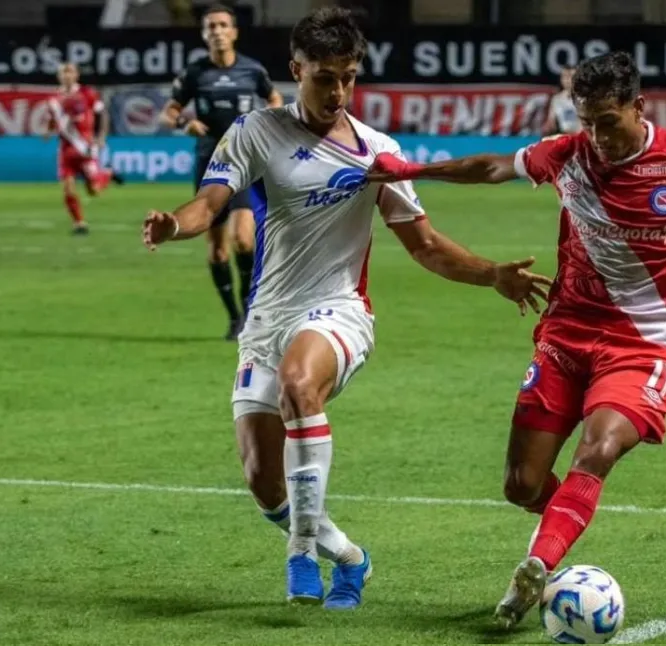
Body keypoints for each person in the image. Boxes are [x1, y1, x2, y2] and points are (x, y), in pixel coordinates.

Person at [366, 50, 666, 629]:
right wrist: (410, 173)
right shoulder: (567, 155)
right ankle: (561, 526)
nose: (595, 136)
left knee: (600, 446)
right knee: (521, 484)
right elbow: (491, 168)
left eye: (606, 122)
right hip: (565, 335)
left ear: (638, 107)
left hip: (642, 343)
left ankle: (536, 565)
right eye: (585, 121)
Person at [141, 7, 551, 611]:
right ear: (295, 70)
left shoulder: (376, 153)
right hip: (268, 319)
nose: (337, 91)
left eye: (348, 77)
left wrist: (491, 274)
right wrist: (175, 224)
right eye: (323, 77)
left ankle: (300, 554)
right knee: (263, 482)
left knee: (299, 385)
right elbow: (210, 203)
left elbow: (426, 245)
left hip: (339, 310)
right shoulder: (256, 131)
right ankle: (350, 558)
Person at [160, 4, 284, 341]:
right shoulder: (194, 73)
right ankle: (233, 316)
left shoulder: (252, 70)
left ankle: (248, 308)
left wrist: (266, 124)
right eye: (210, 26)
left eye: (222, 25)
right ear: (204, 34)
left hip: (244, 162)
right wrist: (185, 122)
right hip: (209, 166)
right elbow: (168, 113)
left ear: (234, 32)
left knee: (244, 240)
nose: (216, 31)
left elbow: (273, 99)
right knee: (217, 250)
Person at [46, 62, 123, 235]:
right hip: (66, 150)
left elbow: (102, 114)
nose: (66, 75)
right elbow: (54, 120)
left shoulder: (87, 94)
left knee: (93, 190)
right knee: (68, 187)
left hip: (85, 148)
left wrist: (101, 136)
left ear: (76, 75)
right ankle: (79, 223)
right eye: (63, 73)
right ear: (59, 76)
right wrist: (48, 130)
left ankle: (108, 174)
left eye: (70, 72)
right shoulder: (54, 100)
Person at [543, 66, 582, 136]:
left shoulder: (582, 98)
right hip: (564, 136)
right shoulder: (556, 99)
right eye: (565, 76)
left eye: (570, 76)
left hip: (580, 136)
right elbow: (551, 122)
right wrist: (548, 128)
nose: (567, 80)